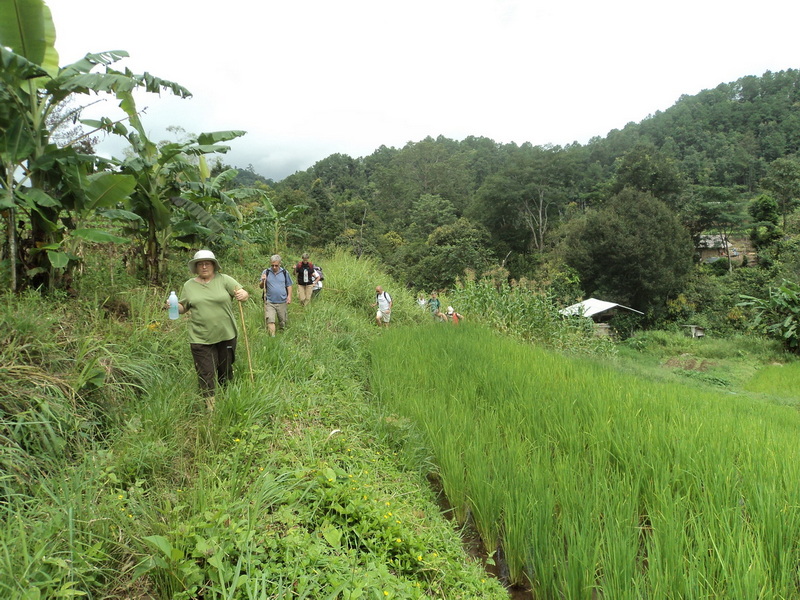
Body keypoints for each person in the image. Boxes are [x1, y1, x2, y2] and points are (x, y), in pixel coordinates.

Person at [171, 249, 249, 411]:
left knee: (225, 370)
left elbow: (242, 293)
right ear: (196, 267)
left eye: (207, 263)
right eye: (200, 264)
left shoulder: (224, 280)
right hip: (200, 338)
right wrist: (171, 305)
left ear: (214, 265)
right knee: (206, 373)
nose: (204, 266)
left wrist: (243, 294)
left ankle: (227, 400)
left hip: (226, 335)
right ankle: (211, 410)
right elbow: (182, 308)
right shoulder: (189, 285)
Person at [259, 254, 293, 337]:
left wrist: (289, 296)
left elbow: (289, 285)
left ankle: (283, 334)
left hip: (282, 301)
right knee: (270, 320)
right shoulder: (266, 272)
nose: (274, 267)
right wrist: (263, 281)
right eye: (272, 265)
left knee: (283, 321)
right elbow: (260, 286)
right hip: (270, 301)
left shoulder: (285, 272)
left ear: (279, 264)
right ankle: (272, 338)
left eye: (276, 265)